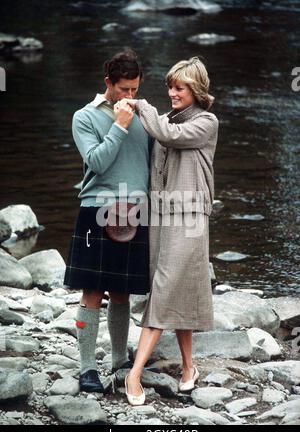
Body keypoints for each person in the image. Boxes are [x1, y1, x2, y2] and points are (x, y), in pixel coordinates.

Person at [121, 56, 219, 405]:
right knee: (179, 287)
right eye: (170, 87)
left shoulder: (206, 122)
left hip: (191, 217)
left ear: (196, 89)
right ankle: (189, 368)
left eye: (179, 87)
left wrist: (141, 104)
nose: (172, 92)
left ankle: (134, 375)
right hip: (161, 215)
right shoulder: (163, 119)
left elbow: (168, 136)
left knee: (164, 287)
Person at [63, 49, 151, 393]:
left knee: (122, 292)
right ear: (108, 84)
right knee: (92, 291)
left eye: (135, 89)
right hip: (96, 208)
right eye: (124, 89)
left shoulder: (144, 115)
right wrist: (119, 125)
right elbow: (97, 163)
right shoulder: (83, 117)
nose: (130, 97)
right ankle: (87, 368)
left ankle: (119, 362)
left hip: (136, 208)